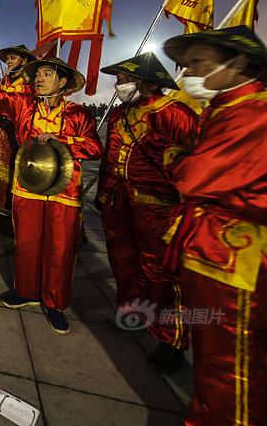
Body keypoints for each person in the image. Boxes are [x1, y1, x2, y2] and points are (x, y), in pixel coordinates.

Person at [159, 26, 267, 426]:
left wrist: (176, 157)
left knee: (233, 372)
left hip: (239, 261)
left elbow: (193, 176)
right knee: (232, 367)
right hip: (218, 253)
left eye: (197, 63)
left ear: (239, 62)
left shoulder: (256, 113)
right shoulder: (226, 109)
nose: (188, 73)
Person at [0, 57, 102, 334]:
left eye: (47, 74)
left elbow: (95, 148)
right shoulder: (24, 106)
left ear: (63, 82)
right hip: (27, 187)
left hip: (64, 192)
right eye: (37, 75)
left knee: (59, 248)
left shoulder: (79, 114)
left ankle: (54, 302)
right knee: (27, 242)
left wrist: (65, 141)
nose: (39, 79)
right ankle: (26, 291)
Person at [96, 52, 198, 371]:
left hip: (159, 206)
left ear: (145, 81)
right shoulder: (118, 114)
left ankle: (171, 340)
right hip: (119, 201)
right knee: (124, 262)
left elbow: (195, 161)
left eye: (124, 79)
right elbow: (109, 158)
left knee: (162, 273)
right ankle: (133, 315)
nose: (118, 84)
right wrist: (102, 192)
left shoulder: (175, 112)